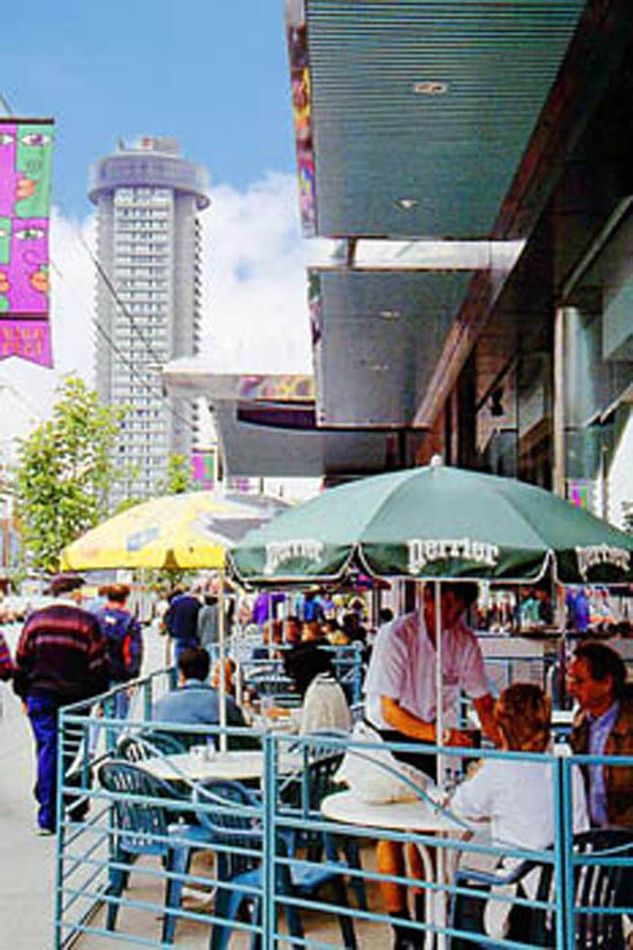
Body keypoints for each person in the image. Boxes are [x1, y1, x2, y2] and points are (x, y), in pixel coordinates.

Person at [364, 581, 497, 949]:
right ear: (426, 598)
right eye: (446, 606)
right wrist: (438, 735)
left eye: (458, 609)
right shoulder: (396, 635)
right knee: (391, 833)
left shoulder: (464, 641)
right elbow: (389, 709)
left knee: (428, 831)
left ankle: (427, 918)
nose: (451, 616)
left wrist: (508, 747)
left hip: (433, 738)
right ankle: (401, 929)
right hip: (390, 735)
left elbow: (483, 701)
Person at [451, 683, 588, 942]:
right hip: (577, 887)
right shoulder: (567, 763)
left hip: (527, 898)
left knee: (463, 889)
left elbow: (461, 804)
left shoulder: (500, 768)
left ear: (501, 728)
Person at [13, 573, 110, 835]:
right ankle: (51, 802)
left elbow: (22, 660)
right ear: (75, 592)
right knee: (65, 752)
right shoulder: (87, 622)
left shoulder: (36, 621)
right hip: (76, 698)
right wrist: (98, 697)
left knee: (47, 749)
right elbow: (98, 665)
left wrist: (23, 694)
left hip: (40, 694)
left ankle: (47, 810)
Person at [568, 641, 633, 828]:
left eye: (579, 681)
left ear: (606, 683)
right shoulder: (581, 721)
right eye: (570, 679)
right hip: (596, 834)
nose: (571, 688)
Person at [153, 646, 247, 732]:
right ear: (207, 671)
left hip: (170, 750)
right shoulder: (223, 702)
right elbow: (242, 731)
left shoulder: (161, 705)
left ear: (181, 674)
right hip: (213, 748)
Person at [94, 584, 143, 718]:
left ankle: (93, 738)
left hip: (98, 671)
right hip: (121, 672)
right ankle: (115, 738)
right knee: (120, 715)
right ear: (125, 599)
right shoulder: (129, 620)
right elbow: (134, 650)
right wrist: (133, 676)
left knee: (96, 713)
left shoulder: (96, 617)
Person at [164, 586, 201, 661]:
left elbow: (168, 619)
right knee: (193, 657)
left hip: (179, 634)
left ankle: (180, 670)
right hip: (192, 634)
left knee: (179, 656)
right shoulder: (195, 602)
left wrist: (171, 631)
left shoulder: (175, 603)